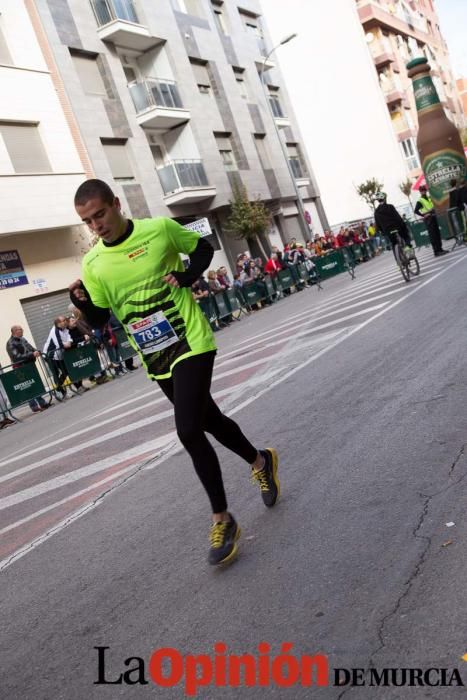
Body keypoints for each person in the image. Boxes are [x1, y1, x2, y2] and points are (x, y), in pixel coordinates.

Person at [69, 178, 280, 566]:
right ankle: (260, 461)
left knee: (187, 429)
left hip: (191, 341)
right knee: (209, 419)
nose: (96, 225)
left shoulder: (158, 230)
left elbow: (203, 247)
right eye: (88, 221)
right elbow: (100, 318)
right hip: (155, 357)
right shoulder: (93, 263)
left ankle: (222, 518)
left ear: (116, 204)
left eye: (100, 214)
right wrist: (79, 301)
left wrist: (187, 277)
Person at [6, 325, 49, 412]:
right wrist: (31, 355)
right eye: (20, 329)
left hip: (29, 364)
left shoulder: (22, 339)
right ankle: (34, 406)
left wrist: (36, 351)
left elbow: (30, 348)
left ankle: (42, 403)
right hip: (20, 367)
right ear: (14, 331)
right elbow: (16, 357)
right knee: (28, 386)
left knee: (35, 384)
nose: (22, 330)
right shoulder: (10, 343)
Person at [374, 192, 414, 258]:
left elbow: (378, 224)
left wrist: (382, 232)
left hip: (387, 230)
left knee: (394, 243)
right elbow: (397, 217)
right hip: (397, 227)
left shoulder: (376, 211)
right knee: (405, 235)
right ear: (384, 198)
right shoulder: (390, 207)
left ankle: (398, 261)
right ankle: (408, 247)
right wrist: (403, 224)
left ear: (378, 200)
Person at [43, 316, 73, 397]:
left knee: (66, 371)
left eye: (65, 320)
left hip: (59, 354)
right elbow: (58, 344)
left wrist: (69, 342)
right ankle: (61, 392)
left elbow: (69, 337)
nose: (65, 322)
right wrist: (65, 344)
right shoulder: (54, 331)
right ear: (58, 323)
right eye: (63, 321)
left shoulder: (65, 329)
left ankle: (58, 388)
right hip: (50, 355)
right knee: (56, 373)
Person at [414, 185, 448, 257]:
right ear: (420, 192)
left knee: (437, 234)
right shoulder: (420, 201)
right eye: (422, 190)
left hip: (433, 216)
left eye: (424, 190)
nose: (424, 191)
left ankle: (440, 249)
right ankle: (436, 251)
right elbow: (416, 211)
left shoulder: (429, 198)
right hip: (428, 219)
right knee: (433, 235)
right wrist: (424, 215)